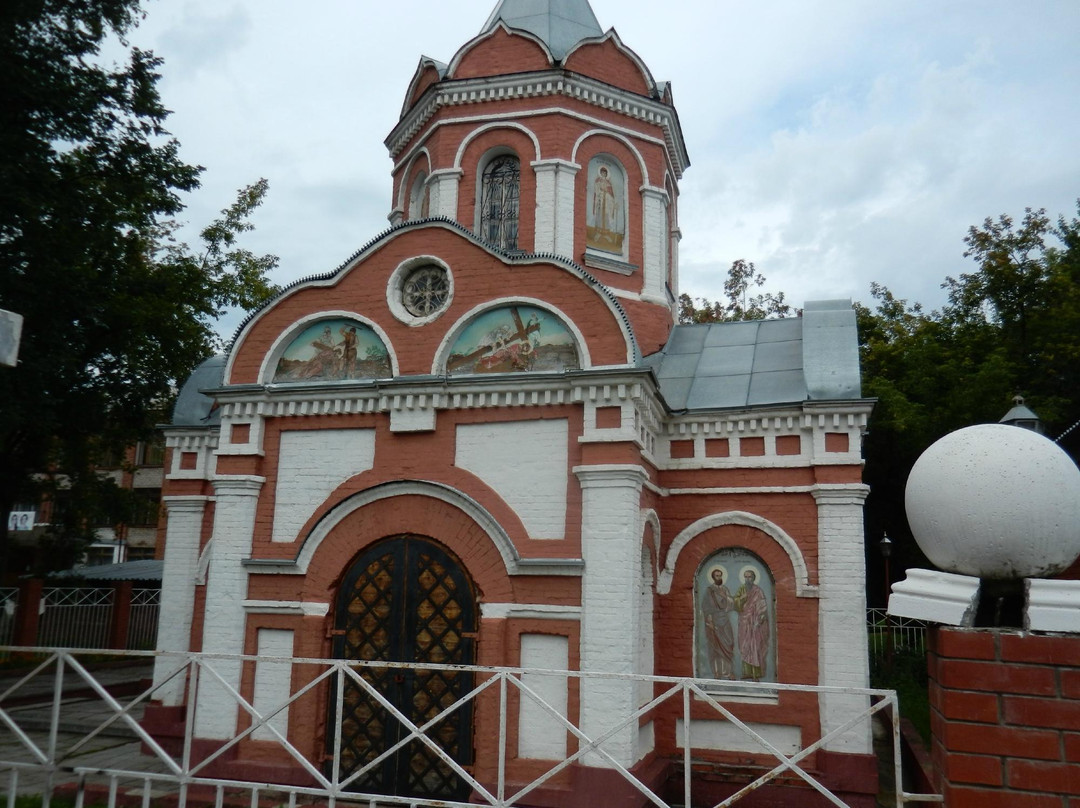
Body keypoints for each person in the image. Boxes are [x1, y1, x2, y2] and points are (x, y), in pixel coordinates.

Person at [734, 568, 770, 682]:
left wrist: (759, 620)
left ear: (753, 578)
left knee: (755, 647)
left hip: (755, 623)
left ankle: (756, 674)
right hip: (744, 623)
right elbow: (735, 604)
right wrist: (741, 599)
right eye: (746, 577)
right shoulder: (741, 589)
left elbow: (762, 608)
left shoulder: (758, 591)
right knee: (745, 647)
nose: (747, 579)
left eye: (749, 577)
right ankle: (747, 673)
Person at [701, 566, 736, 680]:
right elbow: (706, 607)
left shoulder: (725, 589)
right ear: (713, 577)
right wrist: (710, 620)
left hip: (725, 620)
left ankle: (728, 672)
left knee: (728, 645)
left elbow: (731, 604)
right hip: (714, 621)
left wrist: (727, 598)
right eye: (717, 576)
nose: (719, 577)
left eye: (720, 575)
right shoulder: (709, 590)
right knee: (715, 647)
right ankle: (717, 672)